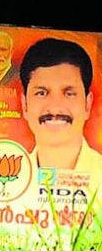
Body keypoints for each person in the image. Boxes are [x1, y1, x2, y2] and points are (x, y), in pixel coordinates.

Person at [20, 37, 102, 172]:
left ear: (88, 104)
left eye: (69, 93)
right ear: (25, 106)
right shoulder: (5, 185)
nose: (55, 108)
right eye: (42, 93)